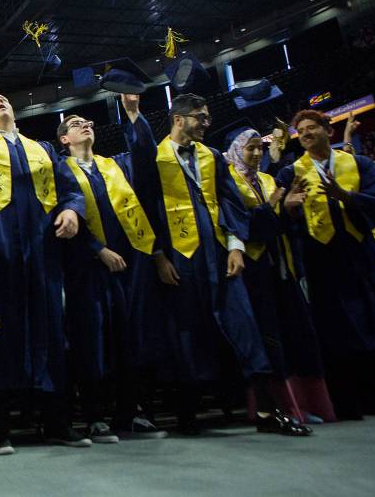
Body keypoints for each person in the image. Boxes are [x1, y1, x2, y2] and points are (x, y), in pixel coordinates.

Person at [121, 92, 307, 436]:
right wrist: (159, 256)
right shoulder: (155, 158)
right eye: (200, 117)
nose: (207, 123)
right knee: (186, 334)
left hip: (219, 254)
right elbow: (144, 209)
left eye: (206, 118)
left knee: (245, 326)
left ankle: (267, 413)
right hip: (179, 257)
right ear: (179, 119)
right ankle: (187, 415)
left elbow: (230, 203)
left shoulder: (213, 157)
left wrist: (236, 246)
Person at [0, 34, 85, 453]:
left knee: (50, 334)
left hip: (42, 256)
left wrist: (72, 212)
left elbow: (68, 190)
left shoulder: (41, 148)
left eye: (3, 99)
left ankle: (57, 423)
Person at [55, 113, 168, 442]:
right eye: (76, 124)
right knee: (92, 343)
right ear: (64, 139)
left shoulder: (116, 165)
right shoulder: (60, 169)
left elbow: (147, 156)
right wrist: (97, 250)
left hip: (128, 264)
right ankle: (94, 418)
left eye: (87, 122)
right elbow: (60, 209)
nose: (85, 125)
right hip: (86, 270)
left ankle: (129, 414)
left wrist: (133, 115)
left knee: (129, 340)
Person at [275, 109, 375, 419]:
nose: (307, 134)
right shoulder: (291, 172)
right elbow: (279, 214)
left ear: (329, 131)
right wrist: (287, 208)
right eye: (302, 130)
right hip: (318, 261)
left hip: (358, 257)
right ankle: (345, 402)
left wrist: (347, 197)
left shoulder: (359, 164)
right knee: (332, 332)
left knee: (371, 325)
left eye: (312, 128)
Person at [224, 127, 334, 423]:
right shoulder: (227, 180)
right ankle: (271, 406)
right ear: (236, 150)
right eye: (250, 148)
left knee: (290, 332)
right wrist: (274, 207)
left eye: (260, 148)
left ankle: (299, 405)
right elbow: (238, 223)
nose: (257, 154)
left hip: (279, 264)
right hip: (249, 267)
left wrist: (287, 210)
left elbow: (281, 221)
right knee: (265, 336)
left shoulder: (268, 179)